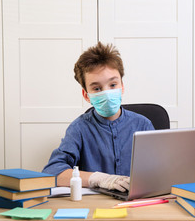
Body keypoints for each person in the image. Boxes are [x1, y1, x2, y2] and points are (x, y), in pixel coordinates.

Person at [42, 42, 154, 192]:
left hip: (138, 204)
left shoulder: (143, 125)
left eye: (113, 85)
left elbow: (161, 171)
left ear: (122, 86)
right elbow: (52, 172)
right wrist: (99, 179)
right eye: (97, 88)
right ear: (86, 95)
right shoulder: (79, 129)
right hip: (96, 205)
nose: (106, 93)